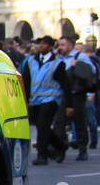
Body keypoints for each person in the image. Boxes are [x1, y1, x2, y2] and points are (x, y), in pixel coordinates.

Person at [20, 35, 69, 165]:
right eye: (40, 43)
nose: (41, 46)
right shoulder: (31, 61)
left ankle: (42, 155)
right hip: (35, 99)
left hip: (51, 99)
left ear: (51, 47)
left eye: (45, 44)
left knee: (43, 125)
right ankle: (60, 145)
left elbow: (66, 84)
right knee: (40, 125)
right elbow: (26, 80)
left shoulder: (57, 63)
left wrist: (69, 105)